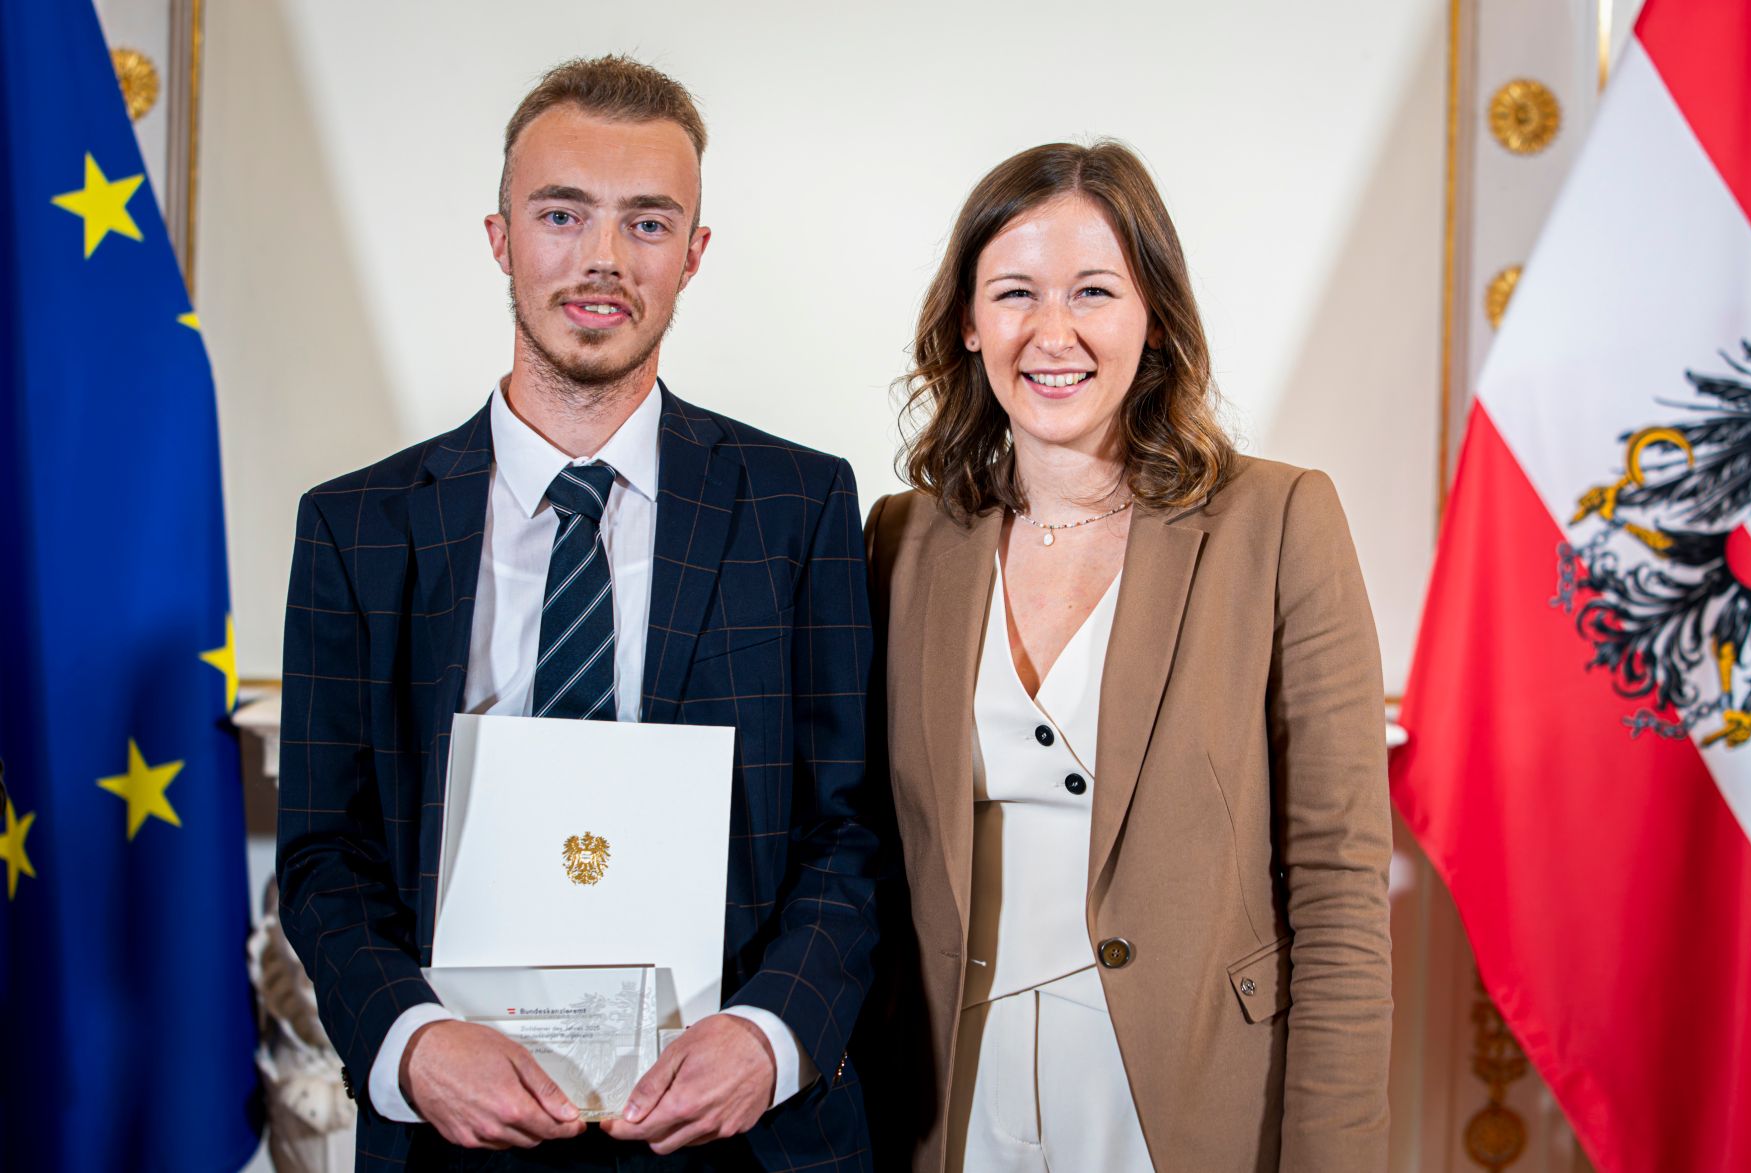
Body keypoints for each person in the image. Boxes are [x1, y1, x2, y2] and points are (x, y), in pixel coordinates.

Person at [276, 56, 880, 1172]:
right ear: (500, 236)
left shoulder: (801, 506)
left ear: (694, 252)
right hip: (456, 1133)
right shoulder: (355, 528)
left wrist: (770, 1034)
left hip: (740, 1133)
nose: (601, 259)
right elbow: (324, 851)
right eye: (562, 214)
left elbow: (849, 827)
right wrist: (409, 1044)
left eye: (647, 222)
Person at [862, 141, 1393, 1172]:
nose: (1049, 333)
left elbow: (1335, 883)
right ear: (966, 324)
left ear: (1151, 317)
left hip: (1188, 1095)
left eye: (1093, 291)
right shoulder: (899, 538)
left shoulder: (1276, 521)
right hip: (945, 1098)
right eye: (1012, 292)